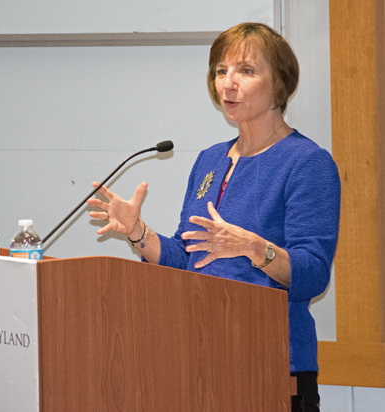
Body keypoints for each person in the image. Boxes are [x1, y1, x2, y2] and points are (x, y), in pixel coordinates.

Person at [87, 22, 340, 412]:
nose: (228, 83)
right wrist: (139, 233)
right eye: (221, 71)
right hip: (201, 359)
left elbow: (313, 274)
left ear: (280, 85)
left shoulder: (308, 163)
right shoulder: (209, 160)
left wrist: (255, 248)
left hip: (270, 366)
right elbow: (189, 260)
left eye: (246, 71)